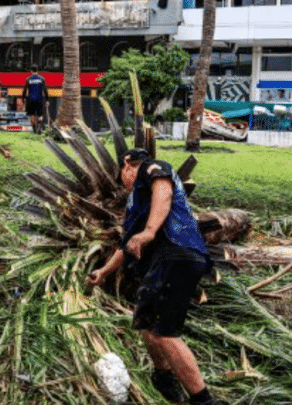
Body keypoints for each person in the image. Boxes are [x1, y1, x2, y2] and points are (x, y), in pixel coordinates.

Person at [88, 149, 225, 405]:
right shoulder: (137, 204)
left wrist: (150, 232)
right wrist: (104, 271)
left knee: (164, 331)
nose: (124, 181)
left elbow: (164, 191)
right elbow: (126, 244)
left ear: (128, 165)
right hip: (169, 260)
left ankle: (203, 399)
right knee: (146, 322)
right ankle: (163, 376)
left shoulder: (152, 169)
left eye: (122, 174)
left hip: (176, 252)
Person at [22, 64, 49, 134]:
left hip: (30, 99)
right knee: (40, 115)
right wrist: (47, 99)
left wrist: (23, 98)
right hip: (40, 99)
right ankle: (40, 127)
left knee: (32, 115)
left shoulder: (28, 79)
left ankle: (34, 130)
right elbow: (45, 90)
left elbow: (24, 90)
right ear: (37, 71)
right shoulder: (42, 79)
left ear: (31, 70)